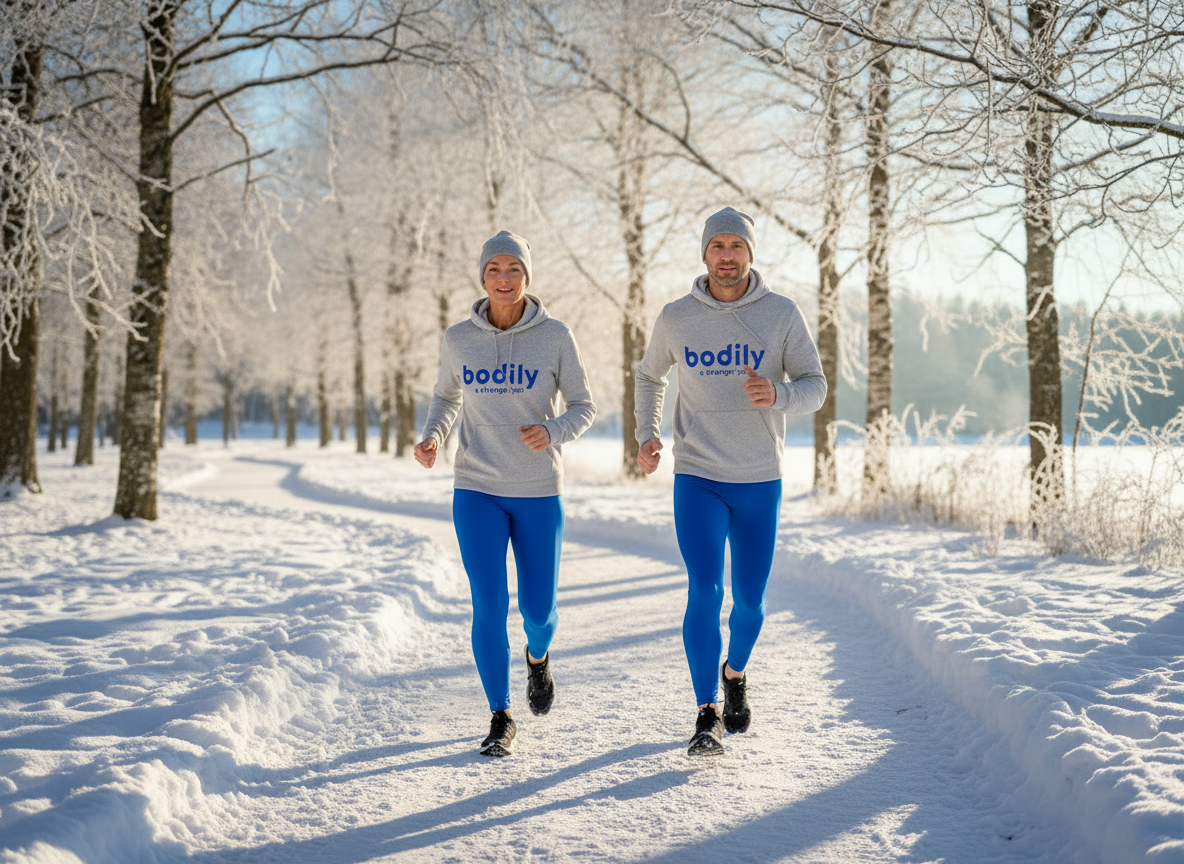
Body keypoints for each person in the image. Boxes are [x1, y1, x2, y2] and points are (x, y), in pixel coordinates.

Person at [634, 207, 826, 756]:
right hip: (697, 474)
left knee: (749, 605)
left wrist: (780, 394)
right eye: (717, 246)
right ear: (704, 254)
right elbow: (649, 374)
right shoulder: (677, 317)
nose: (726, 256)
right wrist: (647, 435)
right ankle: (705, 711)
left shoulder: (782, 314)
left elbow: (815, 384)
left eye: (736, 247)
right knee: (704, 589)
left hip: (760, 478)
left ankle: (734, 672)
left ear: (750, 254)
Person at [415, 230, 596, 757]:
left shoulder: (556, 335)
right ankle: (500, 714)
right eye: (494, 269)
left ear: (527, 276)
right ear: (481, 276)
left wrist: (554, 431)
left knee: (539, 612)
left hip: (539, 488)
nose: (503, 279)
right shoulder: (458, 338)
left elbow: (584, 406)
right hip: (476, 488)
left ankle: (537, 659)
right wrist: (434, 435)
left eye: (513, 269)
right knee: (488, 604)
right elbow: (447, 395)